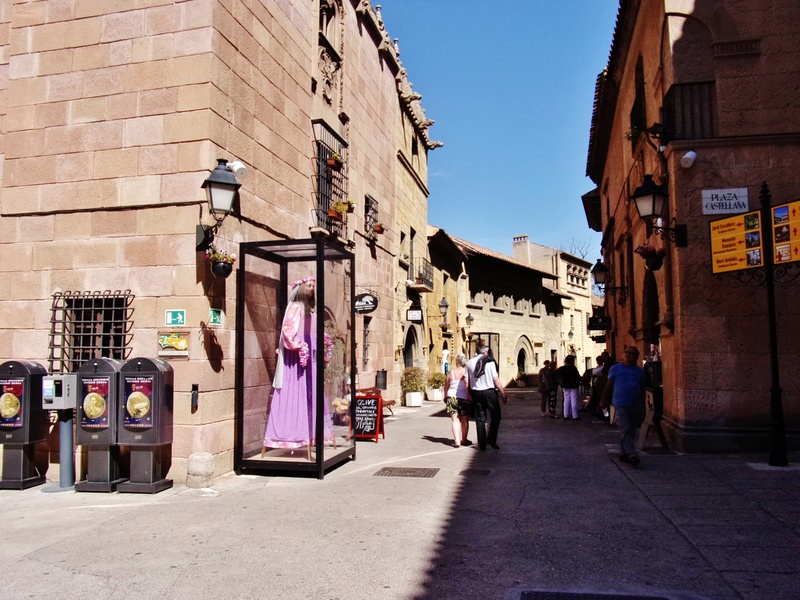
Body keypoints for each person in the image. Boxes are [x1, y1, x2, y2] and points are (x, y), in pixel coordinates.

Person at [262, 275, 334, 456]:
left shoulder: (310, 311)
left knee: (311, 396)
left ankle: (311, 434)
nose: (311, 289)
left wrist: (324, 343)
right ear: (301, 289)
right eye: (309, 285)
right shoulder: (296, 308)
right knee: (296, 396)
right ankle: (291, 435)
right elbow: (288, 334)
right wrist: (300, 346)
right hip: (297, 362)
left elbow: (315, 332)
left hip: (311, 360)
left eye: (313, 286)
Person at [602, 346, 645, 466]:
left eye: (631, 354)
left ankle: (623, 453)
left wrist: (643, 406)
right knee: (625, 429)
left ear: (636, 357)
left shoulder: (640, 371)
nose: (628, 356)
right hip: (620, 404)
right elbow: (609, 385)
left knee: (630, 431)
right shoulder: (615, 369)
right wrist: (603, 399)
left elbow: (642, 388)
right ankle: (633, 455)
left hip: (635, 404)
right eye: (626, 353)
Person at [466, 344, 506, 450]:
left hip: (476, 393)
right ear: (485, 352)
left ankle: (482, 444)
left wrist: (468, 394)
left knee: (480, 418)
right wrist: (503, 392)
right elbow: (495, 379)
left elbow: (467, 381)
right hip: (489, 392)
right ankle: (491, 440)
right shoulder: (490, 361)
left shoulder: (469, 362)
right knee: (496, 416)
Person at [444, 353, 472, 447]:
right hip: (464, 397)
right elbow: (470, 385)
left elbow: (446, 386)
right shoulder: (467, 372)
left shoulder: (451, 372)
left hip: (451, 397)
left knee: (455, 420)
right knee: (465, 419)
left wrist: (445, 396)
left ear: (457, 361)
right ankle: (464, 439)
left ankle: (457, 441)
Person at [557, 355, 582, 420]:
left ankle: (566, 415)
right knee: (574, 399)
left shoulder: (562, 368)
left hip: (565, 385)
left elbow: (557, 376)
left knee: (566, 399)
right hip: (573, 385)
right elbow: (577, 376)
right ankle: (575, 415)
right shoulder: (573, 368)